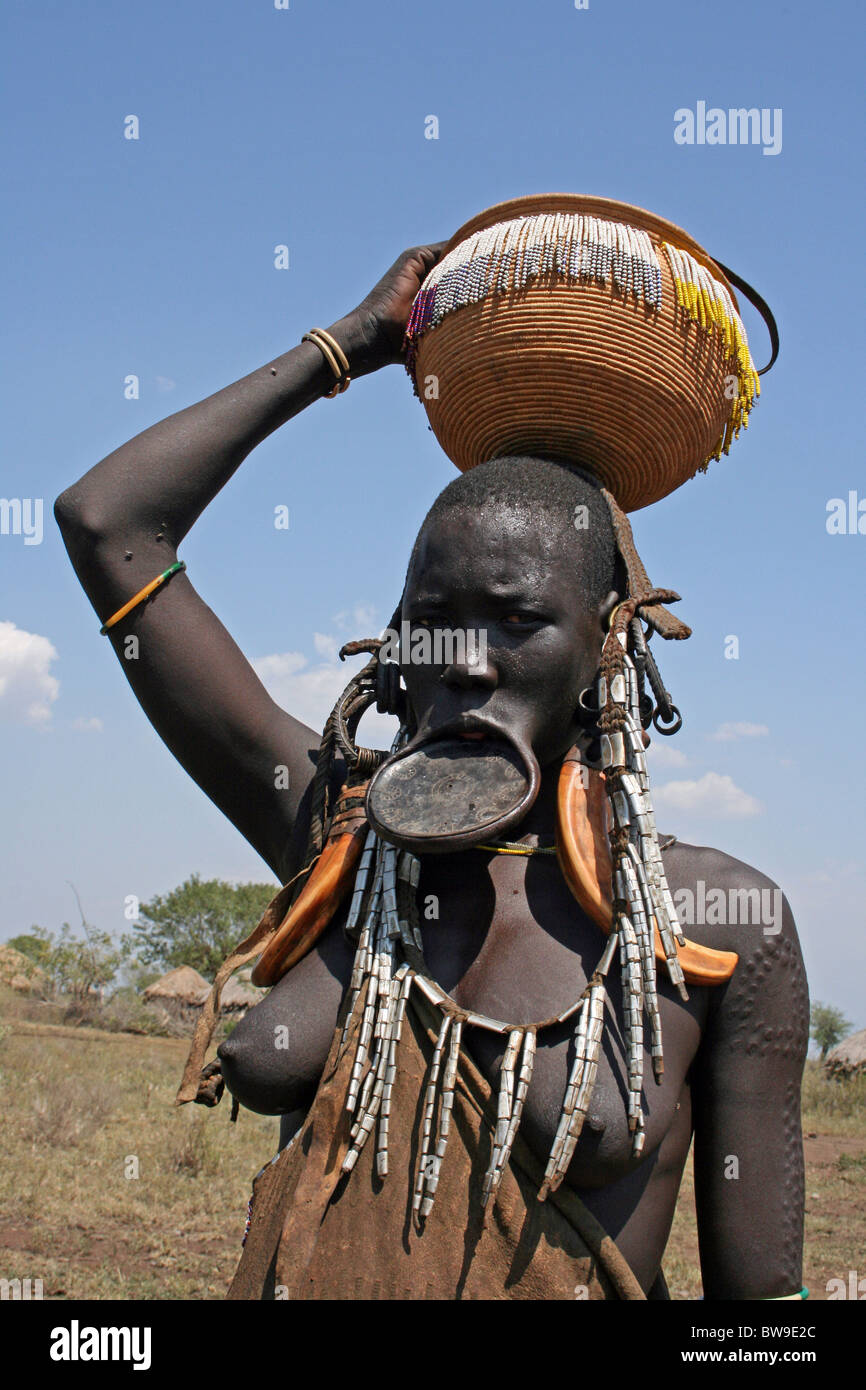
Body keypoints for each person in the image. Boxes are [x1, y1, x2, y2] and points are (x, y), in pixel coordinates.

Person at [55, 242, 808, 1301]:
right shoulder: (334, 841)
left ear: (607, 642)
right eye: (432, 623)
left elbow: (762, 1314)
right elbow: (107, 523)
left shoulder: (713, 926)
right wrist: (346, 347)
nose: (464, 659)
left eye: (515, 620)